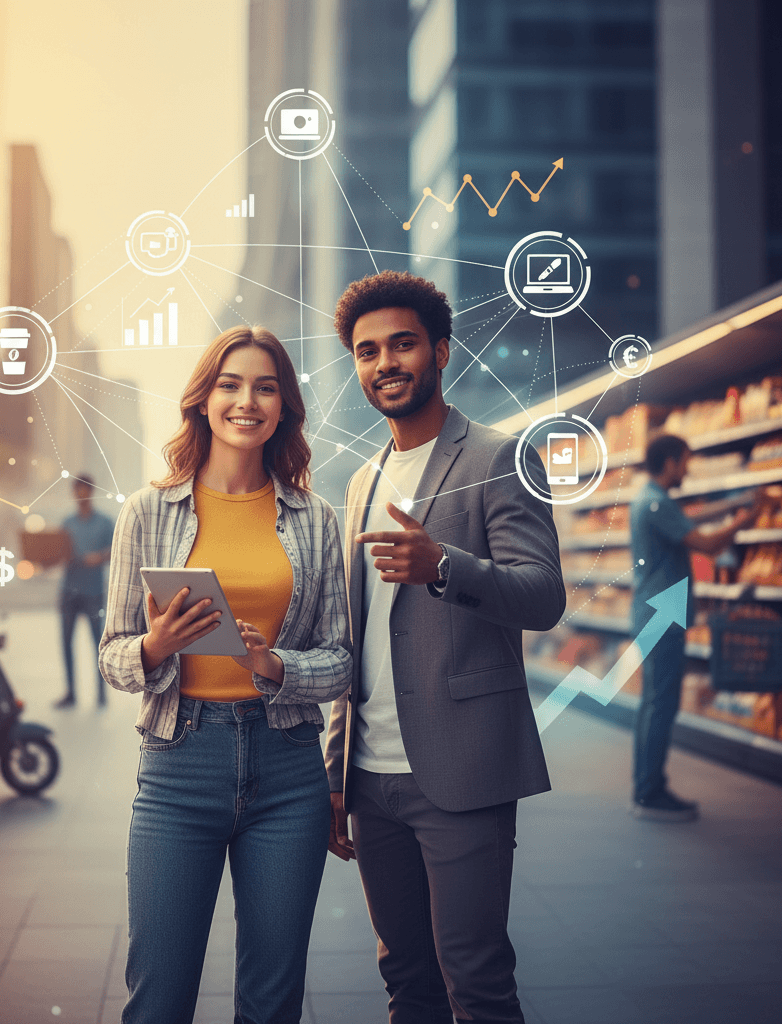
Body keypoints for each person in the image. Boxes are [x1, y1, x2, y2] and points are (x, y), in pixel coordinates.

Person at [324, 270, 565, 1024]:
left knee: (478, 981)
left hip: (462, 771)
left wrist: (445, 568)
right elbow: (353, 639)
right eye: (368, 351)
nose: (385, 362)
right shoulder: (360, 481)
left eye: (402, 344)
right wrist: (335, 772)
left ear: (441, 352)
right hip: (371, 778)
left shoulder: (496, 457)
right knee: (406, 982)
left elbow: (544, 595)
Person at [99, 325, 351, 1024]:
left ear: (285, 407)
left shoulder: (315, 518)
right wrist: (154, 647)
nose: (248, 401)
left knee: (271, 1004)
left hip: (288, 768)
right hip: (180, 765)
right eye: (231, 384)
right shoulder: (147, 512)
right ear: (203, 400)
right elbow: (112, 653)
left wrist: (274, 664)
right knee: (159, 998)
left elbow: (340, 658)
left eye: (266, 387)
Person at [630, 433, 764, 821]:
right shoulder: (656, 502)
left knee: (652, 703)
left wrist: (736, 501)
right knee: (662, 705)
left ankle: (645, 787)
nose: (687, 467)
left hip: (652, 611)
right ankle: (650, 792)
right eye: (685, 460)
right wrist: (745, 518)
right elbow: (705, 544)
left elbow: (688, 519)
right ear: (670, 462)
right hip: (663, 615)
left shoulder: (649, 499)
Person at [56, 473, 114, 708]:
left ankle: (101, 694)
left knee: (97, 643)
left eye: (85, 490)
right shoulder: (67, 523)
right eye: (77, 490)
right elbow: (57, 551)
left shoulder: (105, 522)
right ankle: (71, 693)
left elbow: (116, 550)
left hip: (93, 591)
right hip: (69, 590)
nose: (81, 495)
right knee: (66, 643)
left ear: (91, 492)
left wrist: (99, 557)